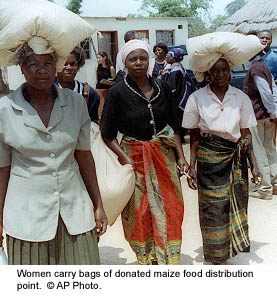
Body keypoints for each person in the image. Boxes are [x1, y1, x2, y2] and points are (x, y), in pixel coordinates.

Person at [0, 41, 108, 265]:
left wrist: (98, 205)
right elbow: (3, 169)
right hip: (26, 214)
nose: (42, 69)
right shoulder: (5, 110)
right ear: (20, 67)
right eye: (33, 64)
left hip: (74, 209)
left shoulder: (76, 103)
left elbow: (84, 157)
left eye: (49, 63)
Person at [100, 39, 188, 265]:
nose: (138, 63)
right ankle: (147, 256)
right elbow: (107, 134)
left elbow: (174, 126)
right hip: (134, 157)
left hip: (163, 157)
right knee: (139, 211)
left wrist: (181, 156)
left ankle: (168, 252)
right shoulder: (118, 92)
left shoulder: (162, 87)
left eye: (143, 58)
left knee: (172, 204)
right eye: (132, 59)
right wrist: (126, 158)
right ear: (125, 63)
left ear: (149, 60)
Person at [182, 58, 261, 264]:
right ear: (208, 74)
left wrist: (255, 166)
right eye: (215, 71)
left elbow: (246, 134)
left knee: (236, 202)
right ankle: (217, 254)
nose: (220, 75)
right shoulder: (197, 98)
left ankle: (234, 244)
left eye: (224, 70)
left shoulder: (241, 97)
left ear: (230, 72)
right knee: (213, 207)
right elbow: (194, 135)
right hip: (209, 159)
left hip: (235, 157)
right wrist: (193, 166)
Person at [243, 49, 277, 200]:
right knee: (269, 149)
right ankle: (274, 183)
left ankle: (265, 188)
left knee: (259, 151)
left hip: (258, 115)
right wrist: (273, 111)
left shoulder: (256, 67)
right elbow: (272, 88)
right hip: (267, 116)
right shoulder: (263, 64)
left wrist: (272, 110)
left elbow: (266, 92)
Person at [56, 46, 100, 123]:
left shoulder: (89, 94)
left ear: (79, 66)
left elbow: (92, 125)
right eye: (64, 64)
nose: (68, 67)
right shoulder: (46, 91)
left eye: (73, 64)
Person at [162, 47, 196, 129]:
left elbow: (171, 87)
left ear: (174, 58)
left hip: (176, 99)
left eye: (169, 55)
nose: (166, 56)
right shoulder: (176, 67)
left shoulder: (175, 69)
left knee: (176, 120)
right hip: (178, 98)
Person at [96, 51, 116, 119]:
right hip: (99, 89)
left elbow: (114, 81)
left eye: (99, 58)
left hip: (108, 90)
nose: (98, 59)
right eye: (97, 58)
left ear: (104, 57)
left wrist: (108, 82)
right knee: (100, 109)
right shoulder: (97, 68)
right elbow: (97, 79)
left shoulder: (111, 68)